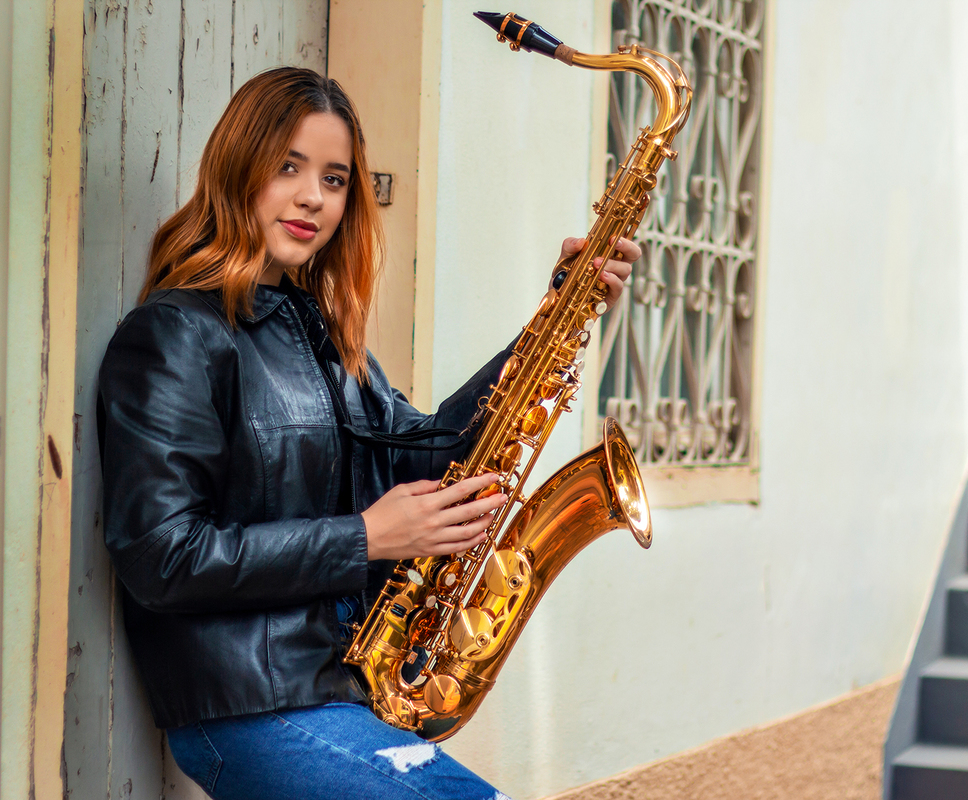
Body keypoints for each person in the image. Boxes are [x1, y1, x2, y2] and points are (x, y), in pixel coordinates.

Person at [97, 66, 638, 800]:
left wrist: (555, 314)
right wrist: (367, 538)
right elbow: (161, 556)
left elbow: (428, 451)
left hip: (343, 690)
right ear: (237, 165)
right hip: (250, 708)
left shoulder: (322, 336)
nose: (313, 196)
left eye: (335, 178)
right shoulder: (173, 334)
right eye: (288, 166)